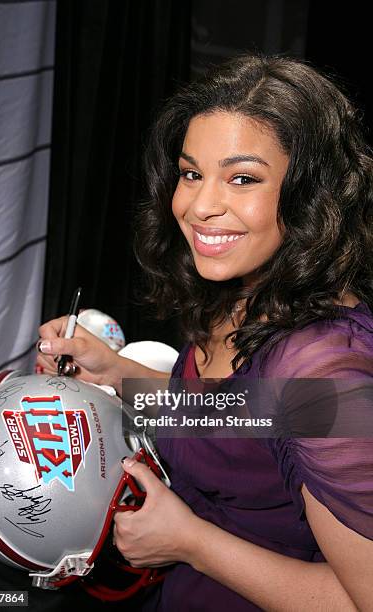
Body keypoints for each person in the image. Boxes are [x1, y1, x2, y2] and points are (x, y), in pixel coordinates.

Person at [37, 54, 373, 611]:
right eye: (192, 173)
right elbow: (236, 427)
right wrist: (117, 373)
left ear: (312, 196)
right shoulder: (238, 289)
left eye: (243, 178)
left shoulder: (325, 371)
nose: (199, 206)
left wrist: (191, 542)